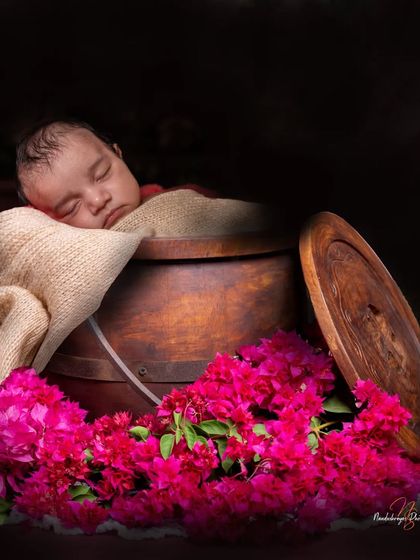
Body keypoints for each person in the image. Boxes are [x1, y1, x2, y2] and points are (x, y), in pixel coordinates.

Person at [15, 119, 216, 230]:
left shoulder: (177, 197)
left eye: (102, 174)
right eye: (71, 207)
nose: (98, 200)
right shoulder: (52, 239)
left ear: (118, 154)